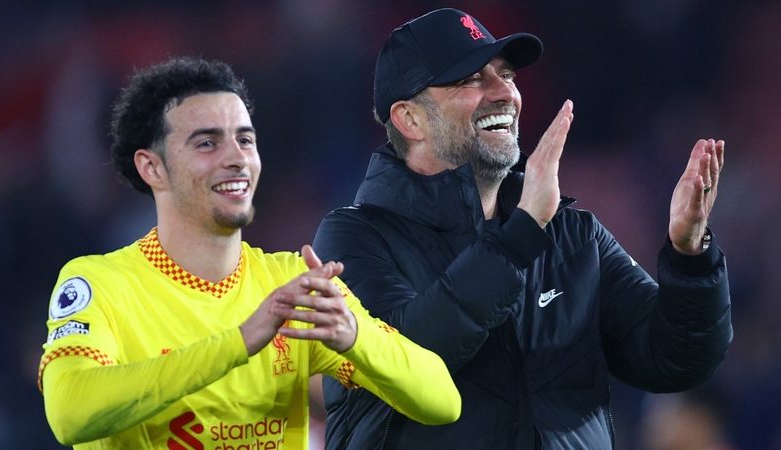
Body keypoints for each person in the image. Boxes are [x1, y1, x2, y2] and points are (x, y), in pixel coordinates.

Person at [312, 8, 732, 450]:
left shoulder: (571, 236)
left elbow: (676, 359)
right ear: (409, 119)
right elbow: (402, 360)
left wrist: (690, 257)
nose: (505, 92)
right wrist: (519, 238)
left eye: (506, 74)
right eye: (471, 79)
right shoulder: (354, 238)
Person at [38, 57, 461, 449]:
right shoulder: (102, 284)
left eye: (245, 139)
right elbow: (70, 412)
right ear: (153, 168)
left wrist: (355, 335)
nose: (237, 158)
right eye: (207, 143)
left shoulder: (293, 285)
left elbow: (442, 401)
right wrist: (240, 341)